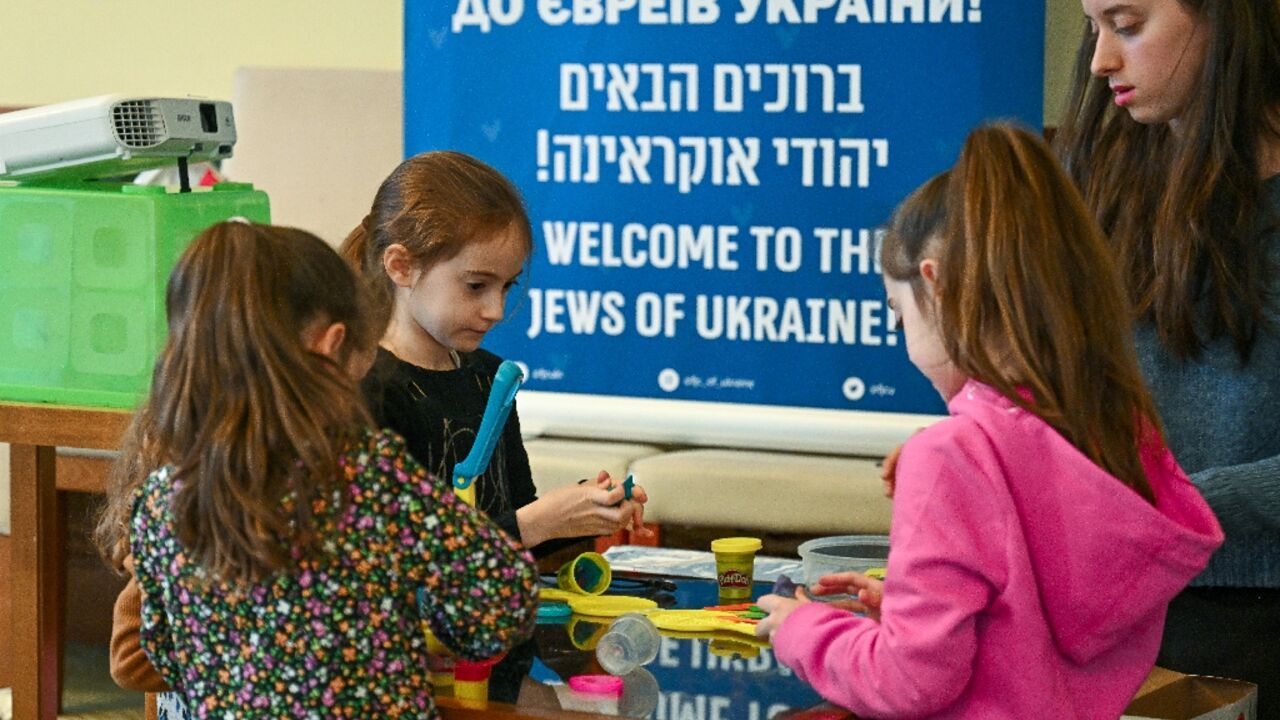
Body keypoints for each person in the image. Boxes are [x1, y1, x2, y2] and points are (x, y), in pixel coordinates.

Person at [754, 124, 1223, 718]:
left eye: (899, 316)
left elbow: (909, 682)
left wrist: (805, 629)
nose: (904, 340)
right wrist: (908, 614)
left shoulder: (950, 454)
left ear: (936, 287)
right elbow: (1031, 638)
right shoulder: (1115, 430)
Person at [94, 221, 538, 718]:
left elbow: (160, 652)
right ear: (333, 345)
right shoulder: (369, 478)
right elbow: (502, 598)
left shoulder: (159, 500)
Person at [1056, 1, 1280, 714]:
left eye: (1127, 25)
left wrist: (1175, 505)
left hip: (1251, 617)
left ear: (1225, 20)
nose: (1101, 61)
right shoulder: (1098, 179)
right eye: (1093, 28)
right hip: (1105, 600)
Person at [341, 150, 649, 557]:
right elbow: (393, 560)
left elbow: (511, 535)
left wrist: (582, 510)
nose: (496, 311)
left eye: (506, 287)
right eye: (476, 286)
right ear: (401, 266)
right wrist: (538, 522)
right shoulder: (366, 387)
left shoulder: (490, 377)